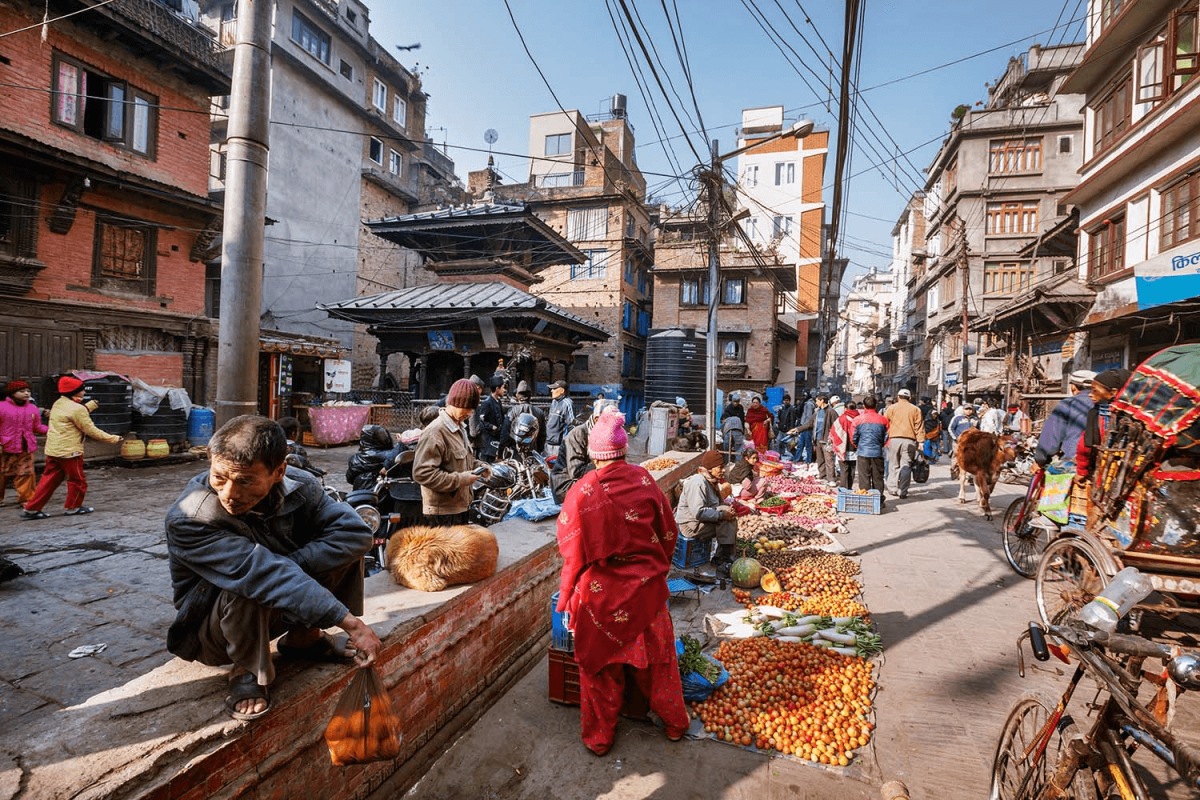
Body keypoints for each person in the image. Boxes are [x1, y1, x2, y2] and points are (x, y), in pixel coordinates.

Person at [164, 415, 381, 721]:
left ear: (279, 471)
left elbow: (355, 533)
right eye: (219, 477)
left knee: (338, 552)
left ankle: (305, 639)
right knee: (252, 581)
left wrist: (293, 565)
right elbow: (261, 573)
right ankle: (248, 669)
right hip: (214, 631)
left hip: (275, 604)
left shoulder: (301, 486)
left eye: (245, 481)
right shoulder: (190, 518)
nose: (229, 493)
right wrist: (351, 624)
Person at [555, 410, 689, 756]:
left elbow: (571, 553)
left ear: (593, 454)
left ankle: (599, 738)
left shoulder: (582, 491)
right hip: (646, 595)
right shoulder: (645, 481)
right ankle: (675, 724)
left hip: (601, 600)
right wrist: (653, 569)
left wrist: (567, 597)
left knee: (600, 670)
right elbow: (669, 532)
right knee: (659, 664)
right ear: (623, 451)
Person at [21, 376, 122, 520]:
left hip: (54, 449)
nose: (84, 392)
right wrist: (114, 439)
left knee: (48, 481)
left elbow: (72, 413)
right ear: (76, 392)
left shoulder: (59, 403)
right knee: (77, 481)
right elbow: (90, 429)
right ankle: (73, 507)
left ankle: (31, 509)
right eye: (82, 389)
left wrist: (89, 406)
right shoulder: (77, 409)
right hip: (70, 452)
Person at [413, 379, 491, 526]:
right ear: (455, 403)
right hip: (442, 514)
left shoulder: (460, 427)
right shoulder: (435, 432)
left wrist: (480, 466)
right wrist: (461, 479)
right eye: (467, 408)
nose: (469, 413)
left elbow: (462, 460)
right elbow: (422, 473)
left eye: (472, 409)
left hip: (459, 508)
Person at [675, 449, 738, 576]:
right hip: (690, 526)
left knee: (727, 514)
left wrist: (726, 511)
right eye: (720, 467)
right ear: (709, 468)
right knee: (726, 520)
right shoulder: (698, 483)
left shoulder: (711, 481)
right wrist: (721, 515)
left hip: (699, 521)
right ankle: (723, 557)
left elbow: (718, 505)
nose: (723, 470)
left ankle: (723, 555)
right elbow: (698, 512)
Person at [551, 398, 617, 502]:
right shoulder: (578, 434)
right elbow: (576, 472)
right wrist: (606, 464)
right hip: (565, 485)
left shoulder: (605, 434)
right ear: (596, 420)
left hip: (584, 479)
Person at [1074, 369, 1132, 485]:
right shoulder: (1136, 413)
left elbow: (1084, 448)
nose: (1090, 394)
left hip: (1105, 473)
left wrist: (1081, 471)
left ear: (1113, 392)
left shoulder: (1097, 414)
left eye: (1095, 390)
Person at [1034, 370, 1097, 466]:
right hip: (1102, 464)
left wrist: (1041, 459)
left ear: (1073, 387)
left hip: (1073, 462)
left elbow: (1050, 439)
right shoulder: (1106, 405)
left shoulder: (1068, 404)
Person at [1, 381, 47, 509]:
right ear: (12, 394)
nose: (26, 393)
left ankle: (26, 499)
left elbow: (37, 426)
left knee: (26, 474)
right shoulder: (1, 407)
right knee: (2, 474)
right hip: (5, 447)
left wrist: (51, 431)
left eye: (28, 391)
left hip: (25, 447)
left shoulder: (32, 409)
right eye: (22, 391)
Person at [882, 388, 924, 499]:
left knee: (893, 465)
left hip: (894, 440)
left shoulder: (891, 408)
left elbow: (884, 423)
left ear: (898, 397)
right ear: (910, 398)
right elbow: (919, 427)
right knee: (906, 465)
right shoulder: (916, 409)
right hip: (909, 441)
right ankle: (903, 491)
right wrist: (921, 442)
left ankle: (892, 488)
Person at [851, 396, 888, 506]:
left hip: (863, 452)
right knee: (878, 478)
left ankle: (865, 501)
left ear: (863, 406)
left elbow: (853, 437)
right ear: (876, 405)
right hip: (877, 452)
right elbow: (886, 436)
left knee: (864, 478)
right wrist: (880, 445)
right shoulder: (883, 419)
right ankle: (879, 501)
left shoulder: (857, 420)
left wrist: (858, 445)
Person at [500, 381, 546, 456]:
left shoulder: (512, 411)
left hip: (515, 452)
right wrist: (539, 451)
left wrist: (500, 453)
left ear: (517, 395)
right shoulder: (539, 412)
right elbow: (542, 435)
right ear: (530, 395)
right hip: (533, 452)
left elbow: (505, 434)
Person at [476, 375, 507, 462]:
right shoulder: (487, 403)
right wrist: (491, 426)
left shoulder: (498, 402)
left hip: (496, 440)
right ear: (497, 388)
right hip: (488, 443)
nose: (504, 390)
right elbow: (481, 420)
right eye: (503, 388)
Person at [831, 400, 860, 490]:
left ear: (845, 408)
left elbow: (834, 431)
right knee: (852, 469)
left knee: (844, 469)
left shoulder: (841, 418)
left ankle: (844, 488)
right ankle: (850, 487)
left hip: (842, 447)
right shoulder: (859, 418)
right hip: (855, 447)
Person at [812, 394, 838, 483]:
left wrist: (832, 438)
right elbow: (810, 423)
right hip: (818, 439)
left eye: (817, 401)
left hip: (827, 441)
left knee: (829, 460)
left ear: (822, 400)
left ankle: (831, 479)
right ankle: (822, 475)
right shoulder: (817, 412)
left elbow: (836, 426)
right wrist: (797, 429)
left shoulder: (831, 412)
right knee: (820, 459)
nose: (816, 403)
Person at [545, 380, 574, 457]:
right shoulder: (554, 402)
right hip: (548, 444)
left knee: (559, 468)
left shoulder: (567, 403)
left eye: (554, 389)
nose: (551, 391)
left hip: (559, 446)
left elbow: (572, 425)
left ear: (562, 390)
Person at [795, 392, 816, 463]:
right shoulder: (806, 403)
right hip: (803, 427)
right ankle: (797, 459)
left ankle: (808, 461)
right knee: (800, 445)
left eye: (805, 396)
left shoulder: (809, 404)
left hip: (806, 428)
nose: (803, 397)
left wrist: (804, 426)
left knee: (807, 446)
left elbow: (809, 417)